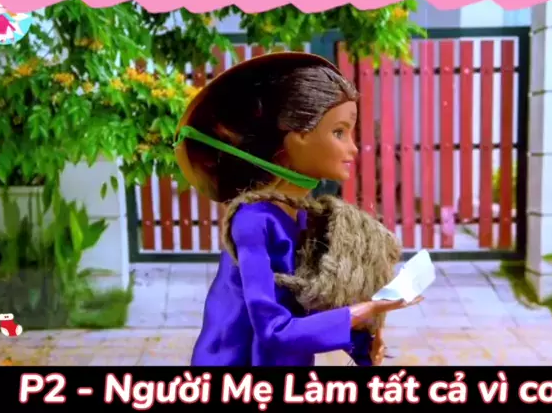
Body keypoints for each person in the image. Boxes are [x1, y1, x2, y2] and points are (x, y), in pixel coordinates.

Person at [174, 52, 422, 367]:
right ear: (298, 137)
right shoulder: (252, 221)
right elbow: (274, 330)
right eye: (339, 132)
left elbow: (310, 302)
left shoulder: (303, 217)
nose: (353, 148)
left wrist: (361, 343)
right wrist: (366, 310)